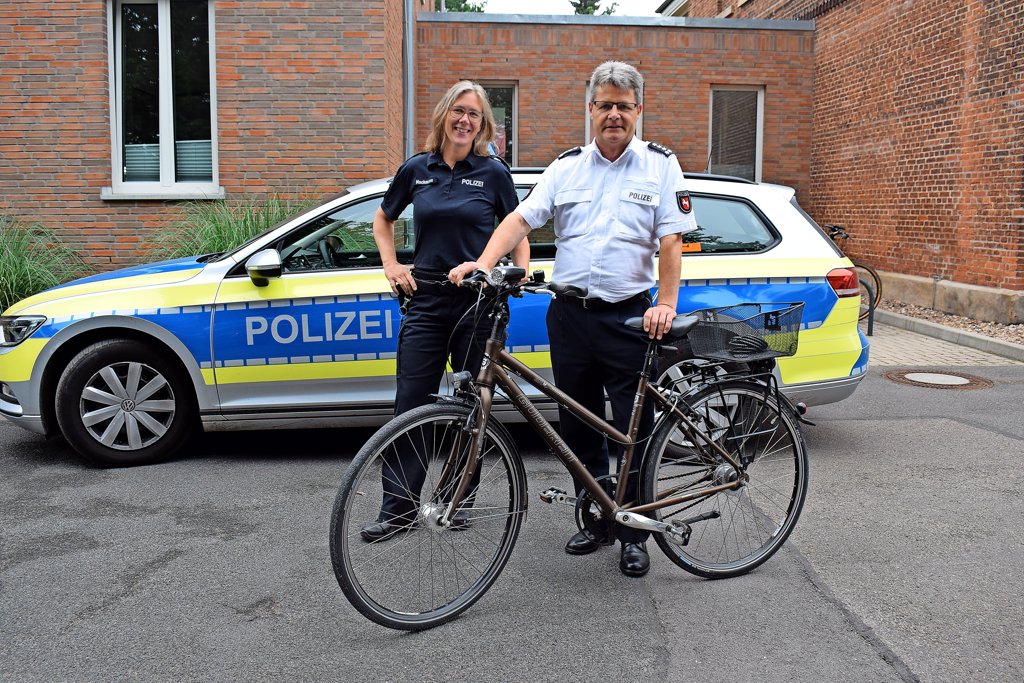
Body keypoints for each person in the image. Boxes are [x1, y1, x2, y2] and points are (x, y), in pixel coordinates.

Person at [450, 62, 697, 577]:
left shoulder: (660, 166)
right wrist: (484, 262)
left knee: (632, 428)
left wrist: (666, 304)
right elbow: (521, 218)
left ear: (638, 111)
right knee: (578, 424)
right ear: (590, 109)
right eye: (605, 105)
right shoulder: (566, 168)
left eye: (623, 106)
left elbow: (672, 239)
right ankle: (598, 517)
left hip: (630, 317)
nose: (614, 115)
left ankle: (635, 533)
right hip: (569, 316)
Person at [360, 81, 529, 542]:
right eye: (458, 111)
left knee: (471, 405)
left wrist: (517, 273)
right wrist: (392, 265)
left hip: (478, 303)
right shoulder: (417, 169)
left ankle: (456, 501)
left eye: (474, 114)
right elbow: (383, 218)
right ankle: (397, 510)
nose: (464, 120)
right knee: (410, 404)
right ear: (444, 115)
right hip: (428, 300)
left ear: (483, 124)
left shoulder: (493, 173)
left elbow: (518, 228)